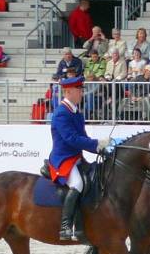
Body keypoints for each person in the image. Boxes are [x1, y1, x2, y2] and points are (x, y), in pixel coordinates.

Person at [47, 76, 111, 241]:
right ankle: (66, 226)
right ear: (68, 91)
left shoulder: (76, 112)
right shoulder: (61, 113)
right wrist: (96, 143)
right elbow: (71, 139)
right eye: (79, 90)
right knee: (77, 184)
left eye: (81, 90)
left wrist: (100, 149)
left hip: (76, 157)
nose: (82, 93)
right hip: (63, 158)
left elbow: (82, 137)